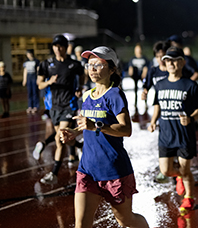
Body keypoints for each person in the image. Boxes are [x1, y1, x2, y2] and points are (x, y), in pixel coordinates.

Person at [60, 46, 149, 228]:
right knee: (81, 224)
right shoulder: (87, 95)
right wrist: (75, 131)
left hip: (113, 169)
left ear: (111, 69)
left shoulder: (115, 95)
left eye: (98, 65)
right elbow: (88, 124)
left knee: (126, 220)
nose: (92, 69)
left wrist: (96, 126)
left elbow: (126, 129)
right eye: (89, 64)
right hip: (87, 169)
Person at [147, 46, 198, 215]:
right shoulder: (160, 85)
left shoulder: (190, 85)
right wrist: (152, 121)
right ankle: (178, 177)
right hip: (165, 134)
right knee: (165, 170)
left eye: (174, 60)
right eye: (167, 60)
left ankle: (189, 197)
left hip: (184, 135)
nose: (170, 63)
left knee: (186, 170)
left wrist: (191, 118)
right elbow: (157, 105)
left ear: (182, 62)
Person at [37, 34, 85, 184]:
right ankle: (80, 145)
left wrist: (80, 87)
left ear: (65, 48)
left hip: (69, 105)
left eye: (60, 46)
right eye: (55, 46)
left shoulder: (73, 64)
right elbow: (39, 84)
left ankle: (54, 174)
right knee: (63, 140)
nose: (57, 49)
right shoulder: (47, 64)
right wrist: (49, 82)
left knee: (59, 138)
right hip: (54, 107)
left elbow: (82, 74)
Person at [128, 43, 149, 113]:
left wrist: (144, 73)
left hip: (142, 76)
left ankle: (145, 103)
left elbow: (146, 67)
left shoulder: (144, 58)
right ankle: (135, 103)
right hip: (135, 76)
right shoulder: (133, 58)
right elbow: (130, 67)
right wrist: (130, 73)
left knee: (144, 89)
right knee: (136, 90)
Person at [23, 49, 41, 113]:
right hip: (29, 78)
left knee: (35, 92)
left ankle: (36, 106)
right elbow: (25, 70)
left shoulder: (36, 61)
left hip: (34, 77)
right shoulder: (26, 61)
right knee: (29, 93)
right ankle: (30, 106)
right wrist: (24, 79)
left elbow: (38, 70)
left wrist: (38, 79)